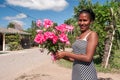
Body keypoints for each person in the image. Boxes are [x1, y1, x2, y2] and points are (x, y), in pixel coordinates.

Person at [55, 9, 98, 80]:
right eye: (80, 20)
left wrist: (66, 53)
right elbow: (74, 58)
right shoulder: (79, 37)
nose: (81, 23)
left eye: (85, 20)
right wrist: (61, 56)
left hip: (87, 74)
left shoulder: (92, 34)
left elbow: (88, 58)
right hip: (76, 73)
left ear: (91, 21)